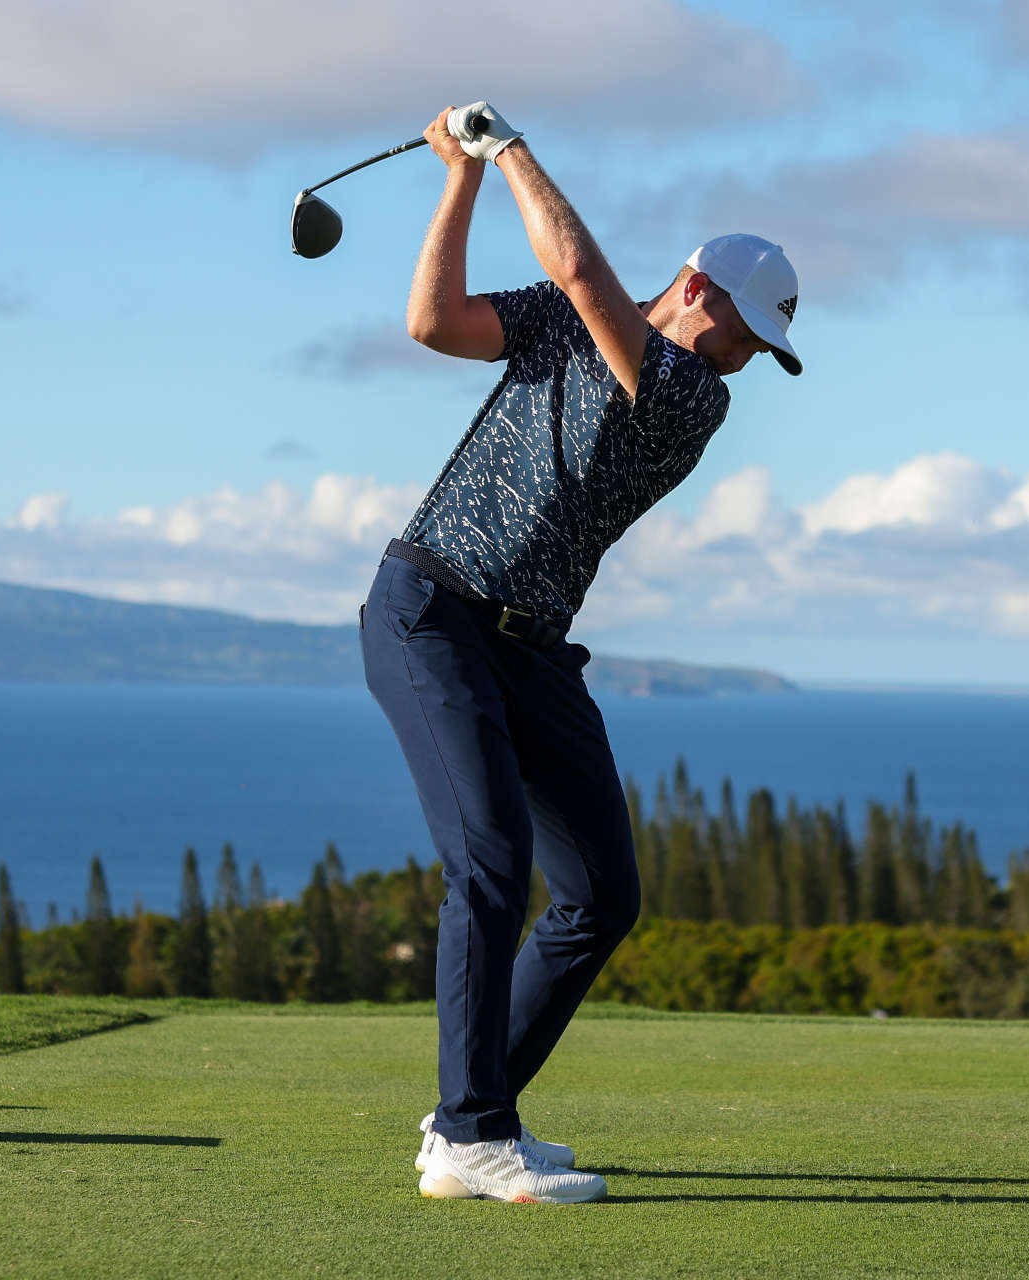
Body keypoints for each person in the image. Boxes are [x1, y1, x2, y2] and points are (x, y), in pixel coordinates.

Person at [360, 102, 801, 1205]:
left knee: (600, 890)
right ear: (696, 286)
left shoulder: (690, 394)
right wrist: (459, 174)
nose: (746, 357)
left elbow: (582, 277)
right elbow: (432, 323)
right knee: (493, 861)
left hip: (535, 648)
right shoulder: (569, 324)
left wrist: (508, 147)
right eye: (741, 328)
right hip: (434, 609)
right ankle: (471, 1132)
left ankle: (473, 1109)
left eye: (758, 345)